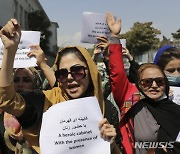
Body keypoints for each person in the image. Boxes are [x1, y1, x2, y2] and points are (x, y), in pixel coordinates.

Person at [0, 19, 121, 154]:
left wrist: (110, 145)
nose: (69, 78)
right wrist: (9, 50)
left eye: (77, 71)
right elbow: (8, 100)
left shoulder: (107, 109)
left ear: (90, 71)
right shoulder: (45, 102)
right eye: (62, 73)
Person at [105, 12, 180, 154]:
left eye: (159, 81)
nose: (154, 85)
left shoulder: (176, 110)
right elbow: (118, 75)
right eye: (147, 82)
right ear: (139, 84)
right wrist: (114, 39)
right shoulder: (132, 102)